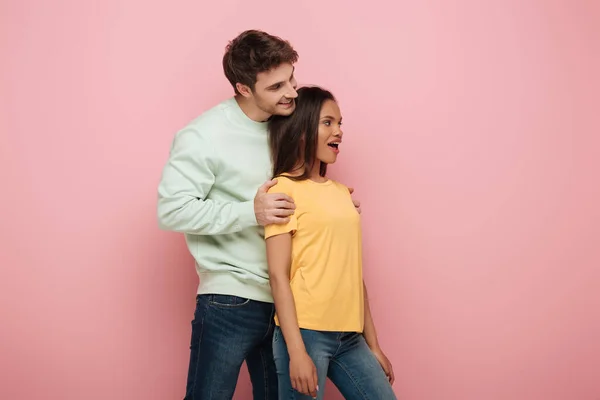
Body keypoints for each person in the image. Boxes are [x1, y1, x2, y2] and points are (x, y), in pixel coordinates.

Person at [157, 31, 360, 399]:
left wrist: (330, 207)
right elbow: (172, 209)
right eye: (277, 86)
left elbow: (301, 184)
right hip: (231, 298)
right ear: (244, 88)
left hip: (290, 306)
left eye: (292, 79)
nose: (292, 93)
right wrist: (250, 211)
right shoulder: (204, 135)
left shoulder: (287, 123)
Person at [264, 86, 397, 400]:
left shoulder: (341, 193)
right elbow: (278, 275)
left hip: (350, 336)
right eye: (327, 122)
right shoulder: (282, 190)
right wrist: (296, 351)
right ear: (302, 130)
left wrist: (373, 345)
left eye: (340, 123)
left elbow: (352, 271)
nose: (338, 131)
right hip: (306, 333)